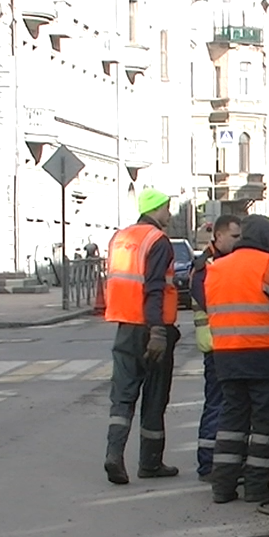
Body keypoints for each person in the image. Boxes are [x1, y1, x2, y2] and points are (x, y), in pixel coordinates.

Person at [205, 214, 269, 504]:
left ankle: (222, 486)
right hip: (266, 356)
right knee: (264, 425)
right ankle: (256, 486)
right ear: (268, 237)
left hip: (226, 357)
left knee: (231, 421)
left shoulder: (217, 268)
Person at [102, 188, 181, 484]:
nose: (169, 214)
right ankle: (150, 462)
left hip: (125, 326)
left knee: (122, 395)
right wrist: (158, 331)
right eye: (166, 208)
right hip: (152, 328)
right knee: (155, 395)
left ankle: (114, 453)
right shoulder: (157, 241)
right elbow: (154, 288)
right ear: (156, 209)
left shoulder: (120, 238)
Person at [190, 215, 244, 481]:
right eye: (234, 237)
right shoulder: (206, 265)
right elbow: (209, 301)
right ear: (219, 235)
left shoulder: (223, 261)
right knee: (216, 405)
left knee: (229, 405)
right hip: (216, 345)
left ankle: (223, 462)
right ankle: (207, 464)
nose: (238, 242)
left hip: (229, 343)